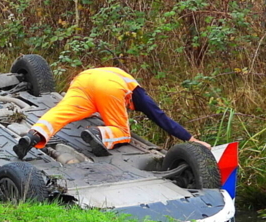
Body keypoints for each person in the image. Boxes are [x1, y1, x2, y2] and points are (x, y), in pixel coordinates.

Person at [13, 66, 211, 159]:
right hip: (109, 87)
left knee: (61, 113)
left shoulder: (113, 70)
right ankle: (99, 134)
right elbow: (159, 116)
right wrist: (191, 139)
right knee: (122, 131)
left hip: (82, 80)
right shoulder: (136, 91)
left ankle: (35, 134)